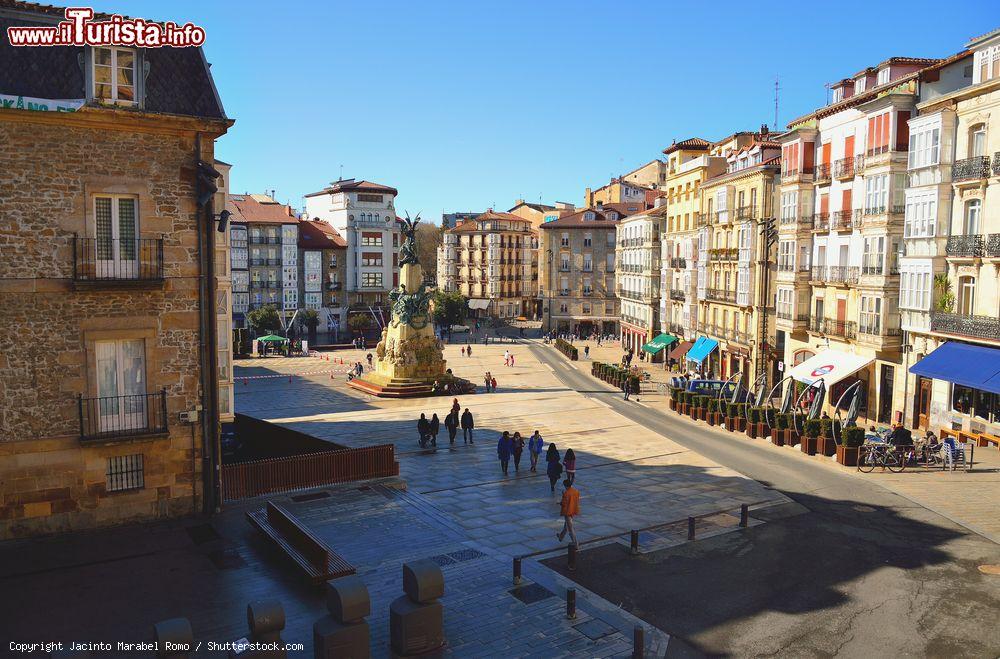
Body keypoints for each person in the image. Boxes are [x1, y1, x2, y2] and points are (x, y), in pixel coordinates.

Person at [556, 479, 580, 547]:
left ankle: (575, 543)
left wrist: (559, 502)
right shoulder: (576, 491)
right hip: (573, 510)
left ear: (566, 485)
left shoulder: (566, 493)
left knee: (570, 528)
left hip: (567, 512)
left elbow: (564, 503)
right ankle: (561, 536)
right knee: (566, 525)